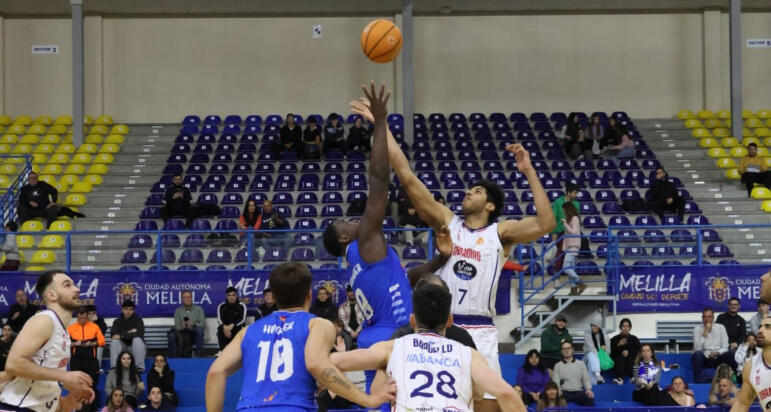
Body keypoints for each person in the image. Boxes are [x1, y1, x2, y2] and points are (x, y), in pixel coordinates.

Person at [352, 88, 555, 412]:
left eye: (475, 191)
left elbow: (546, 223)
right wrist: (381, 125)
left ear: (489, 204)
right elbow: (406, 176)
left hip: (481, 328)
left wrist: (528, 171)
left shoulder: (500, 233)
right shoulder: (450, 222)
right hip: (440, 327)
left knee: (487, 408)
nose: (467, 193)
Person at [205, 262, 397, 412]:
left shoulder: (248, 331)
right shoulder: (318, 324)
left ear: (275, 297)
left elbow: (215, 372)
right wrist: (368, 400)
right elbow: (316, 364)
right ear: (309, 295)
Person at [323, 83, 415, 400]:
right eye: (344, 222)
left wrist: (439, 261)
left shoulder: (359, 262)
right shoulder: (364, 240)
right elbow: (378, 183)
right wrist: (380, 123)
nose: (350, 218)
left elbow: (399, 279)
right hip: (391, 337)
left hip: (374, 337)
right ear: (344, 237)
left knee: (377, 404)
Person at [330, 283, 525, 412]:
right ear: (450, 320)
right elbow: (507, 394)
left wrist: (367, 400)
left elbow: (329, 364)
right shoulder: (470, 355)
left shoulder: (392, 348)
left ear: (412, 319)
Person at [0, 270, 95, 411]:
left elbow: (42, 390)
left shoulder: (63, 332)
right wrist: (65, 376)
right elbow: (13, 364)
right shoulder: (45, 320)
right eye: (67, 285)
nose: (77, 289)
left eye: (74, 285)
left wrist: (71, 400)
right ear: (52, 294)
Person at [68, 305, 106, 412]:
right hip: (76, 361)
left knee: (91, 386)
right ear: (77, 317)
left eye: (84, 318)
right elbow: (65, 343)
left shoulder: (94, 327)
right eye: (80, 318)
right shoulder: (71, 328)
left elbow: (102, 342)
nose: (82, 320)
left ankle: (91, 409)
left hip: (91, 361)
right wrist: (75, 343)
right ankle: (78, 409)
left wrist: (91, 343)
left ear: (87, 317)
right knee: (77, 387)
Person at [731, 315, 771, 412]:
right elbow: (742, 404)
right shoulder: (751, 366)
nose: (760, 330)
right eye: (760, 326)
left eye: (767, 326)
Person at [691, 307, 734, 382]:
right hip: (704, 357)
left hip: (718, 356)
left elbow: (725, 347)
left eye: (709, 317)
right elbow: (697, 348)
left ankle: (731, 378)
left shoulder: (721, 327)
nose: (706, 319)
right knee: (697, 354)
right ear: (702, 318)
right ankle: (698, 379)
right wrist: (705, 332)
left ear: (713, 318)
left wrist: (717, 353)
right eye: (704, 316)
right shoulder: (697, 328)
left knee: (731, 353)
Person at [548, 183, 580, 273]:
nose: (576, 195)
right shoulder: (558, 202)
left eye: (577, 193)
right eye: (574, 192)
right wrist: (553, 232)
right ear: (568, 192)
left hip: (570, 234)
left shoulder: (577, 204)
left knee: (568, 258)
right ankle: (558, 274)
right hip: (560, 232)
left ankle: (571, 278)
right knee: (559, 254)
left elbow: (577, 220)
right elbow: (553, 218)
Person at [551, 341, 594, 406]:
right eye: (564, 349)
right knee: (555, 398)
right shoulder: (557, 365)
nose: (566, 350)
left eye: (568, 348)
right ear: (561, 351)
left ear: (572, 350)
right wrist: (558, 389)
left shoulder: (581, 364)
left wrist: (588, 389)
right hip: (564, 392)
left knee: (590, 398)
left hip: (578, 392)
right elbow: (555, 381)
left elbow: (586, 379)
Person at [109, 300, 146, 373]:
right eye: (126, 309)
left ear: (133, 310)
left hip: (136, 349)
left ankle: (139, 368)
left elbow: (139, 334)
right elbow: (113, 335)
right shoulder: (117, 321)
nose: (128, 311)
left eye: (130, 309)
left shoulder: (138, 320)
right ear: (122, 310)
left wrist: (121, 335)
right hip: (122, 349)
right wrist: (129, 332)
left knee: (137, 340)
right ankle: (115, 367)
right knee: (115, 342)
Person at [168, 290, 205, 358]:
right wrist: (182, 326)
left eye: (189, 297)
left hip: (194, 335)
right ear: (182, 299)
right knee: (171, 335)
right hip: (182, 335)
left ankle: (199, 354)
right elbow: (177, 326)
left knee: (199, 329)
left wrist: (193, 324)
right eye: (185, 297)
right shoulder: (178, 311)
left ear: (192, 298)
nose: (187, 299)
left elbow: (202, 324)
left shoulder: (199, 309)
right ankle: (174, 359)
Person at [561, 202, 586, 295]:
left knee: (566, 268)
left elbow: (574, 232)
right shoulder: (571, 219)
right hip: (570, 247)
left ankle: (581, 283)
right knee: (571, 268)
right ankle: (573, 289)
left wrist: (565, 225)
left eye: (564, 210)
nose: (564, 212)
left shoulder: (574, 219)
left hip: (573, 246)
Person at [609, 317, 640, 384]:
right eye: (623, 326)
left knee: (631, 357)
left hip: (631, 363)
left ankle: (633, 377)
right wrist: (618, 345)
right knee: (620, 357)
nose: (625, 328)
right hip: (619, 364)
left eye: (627, 326)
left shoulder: (634, 339)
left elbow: (638, 351)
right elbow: (611, 353)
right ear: (620, 327)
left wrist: (629, 352)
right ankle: (620, 379)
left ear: (630, 328)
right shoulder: (615, 339)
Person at [216, 287, 247, 351]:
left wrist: (231, 326)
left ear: (236, 296)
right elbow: (219, 319)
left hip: (236, 328)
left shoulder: (242, 305)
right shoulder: (221, 306)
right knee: (220, 328)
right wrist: (225, 328)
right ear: (226, 296)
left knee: (241, 328)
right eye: (229, 295)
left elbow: (242, 319)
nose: (231, 297)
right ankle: (222, 351)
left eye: (233, 295)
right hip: (225, 329)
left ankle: (238, 351)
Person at [582, 313, 607, 384]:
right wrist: (598, 354)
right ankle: (598, 374)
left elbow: (608, 351)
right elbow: (590, 348)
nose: (593, 327)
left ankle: (595, 381)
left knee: (591, 364)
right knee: (591, 354)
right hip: (586, 357)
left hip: (598, 360)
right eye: (591, 325)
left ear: (599, 326)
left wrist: (604, 351)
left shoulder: (604, 336)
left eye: (595, 325)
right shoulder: (588, 333)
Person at [87, 304, 108, 371]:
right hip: (85, 344)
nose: (92, 316)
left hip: (96, 344)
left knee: (99, 344)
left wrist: (92, 323)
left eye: (93, 313)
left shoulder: (102, 323)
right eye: (89, 314)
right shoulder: (82, 323)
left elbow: (100, 337)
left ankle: (97, 368)